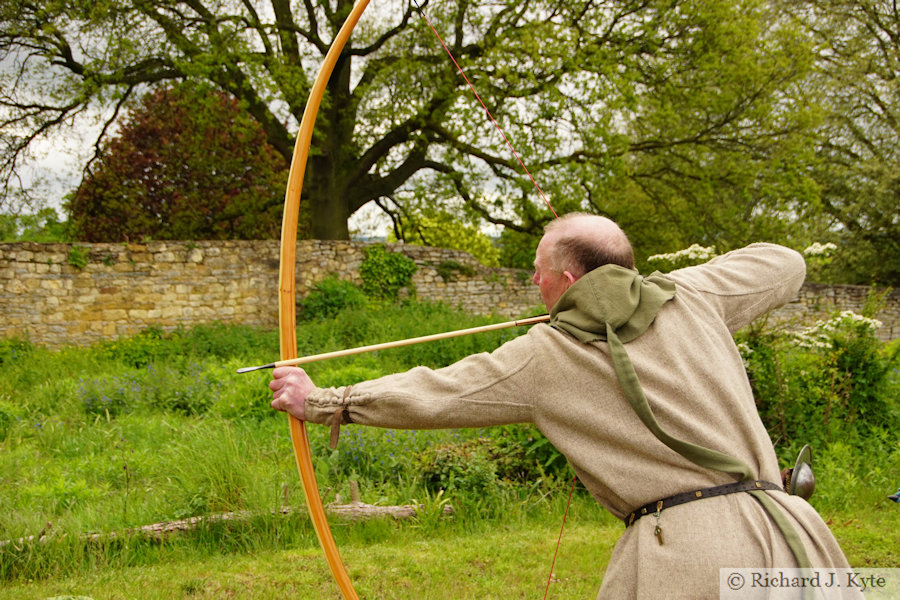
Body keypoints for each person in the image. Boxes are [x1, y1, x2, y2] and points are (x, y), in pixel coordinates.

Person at [270, 213, 853, 598]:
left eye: (540, 273)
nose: (533, 282)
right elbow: (787, 263)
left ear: (567, 280)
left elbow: (435, 392)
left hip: (687, 560)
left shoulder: (545, 354)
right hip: (796, 535)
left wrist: (320, 400)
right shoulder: (692, 294)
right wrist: (661, 282)